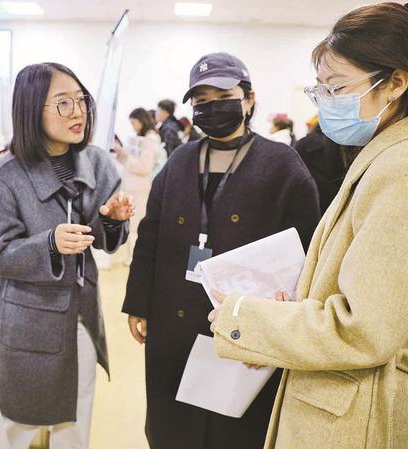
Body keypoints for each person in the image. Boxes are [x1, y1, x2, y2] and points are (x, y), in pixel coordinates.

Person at [208, 4, 408, 449]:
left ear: (396, 83)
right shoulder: (395, 158)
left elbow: (362, 329)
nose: (327, 102)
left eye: (337, 88)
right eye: (321, 90)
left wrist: (246, 318)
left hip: (368, 418)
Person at [123, 52, 321, 449]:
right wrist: (139, 302)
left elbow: (307, 250)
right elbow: (151, 233)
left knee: (236, 429)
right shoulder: (180, 160)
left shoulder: (282, 164)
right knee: (172, 424)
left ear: (248, 99)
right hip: (173, 319)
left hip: (243, 326)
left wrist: (284, 322)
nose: (212, 107)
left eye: (223, 96)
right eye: (201, 100)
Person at [0, 62, 133, 449]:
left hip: (80, 314)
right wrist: (48, 243)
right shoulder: (7, 174)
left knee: (74, 425)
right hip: (27, 322)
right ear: (32, 109)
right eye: (63, 103)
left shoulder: (97, 163)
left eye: (80, 100)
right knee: (20, 426)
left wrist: (112, 220)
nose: (77, 112)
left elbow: (105, 241)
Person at [115, 108, 161, 264]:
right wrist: (121, 154)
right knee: (130, 222)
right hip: (131, 185)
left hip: (139, 188)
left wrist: (126, 155)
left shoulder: (150, 140)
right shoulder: (140, 138)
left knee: (136, 223)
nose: (133, 126)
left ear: (141, 121)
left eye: (134, 123)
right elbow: (130, 161)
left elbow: (144, 167)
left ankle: (135, 257)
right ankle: (130, 256)